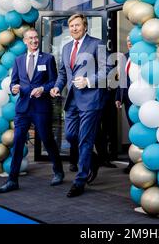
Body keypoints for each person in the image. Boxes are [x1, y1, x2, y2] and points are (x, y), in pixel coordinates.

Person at [51, 13, 111, 197]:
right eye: (72, 26)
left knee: (85, 139)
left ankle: (80, 180)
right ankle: (92, 158)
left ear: (85, 26)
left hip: (91, 99)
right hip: (72, 100)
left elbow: (108, 68)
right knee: (71, 136)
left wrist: (88, 80)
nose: (74, 28)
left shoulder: (97, 43)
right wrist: (57, 87)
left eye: (77, 25)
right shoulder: (67, 47)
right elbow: (63, 73)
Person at [0, 28, 64, 194]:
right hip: (23, 108)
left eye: (36, 38)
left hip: (41, 107)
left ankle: (58, 171)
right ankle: (12, 180)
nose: (34, 41)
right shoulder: (18, 60)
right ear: (25, 41)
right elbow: (14, 82)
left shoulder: (48, 58)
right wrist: (14, 88)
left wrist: (43, 88)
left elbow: (53, 81)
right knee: (18, 141)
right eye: (31, 38)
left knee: (47, 139)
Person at [115, 36, 134, 173]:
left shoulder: (144, 57)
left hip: (141, 100)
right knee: (133, 132)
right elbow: (121, 79)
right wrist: (118, 97)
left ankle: (138, 162)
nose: (129, 43)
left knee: (140, 132)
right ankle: (133, 162)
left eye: (132, 41)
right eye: (127, 41)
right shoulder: (125, 57)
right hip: (127, 100)